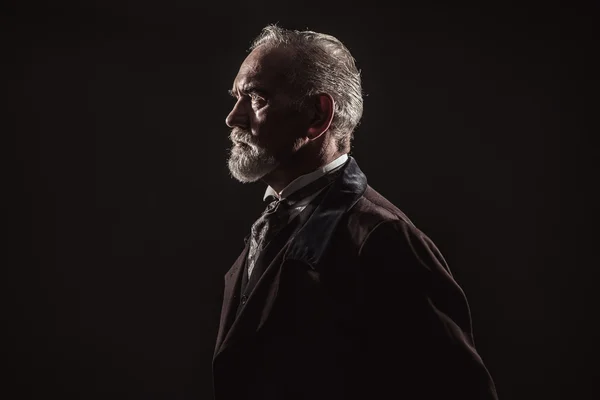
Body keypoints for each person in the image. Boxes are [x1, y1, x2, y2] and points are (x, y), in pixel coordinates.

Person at [212, 24, 499, 400]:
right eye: (235, 98)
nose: (233, 118)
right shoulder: (277, 224)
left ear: (318, 115)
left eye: (257, 98)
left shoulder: (385, 240)